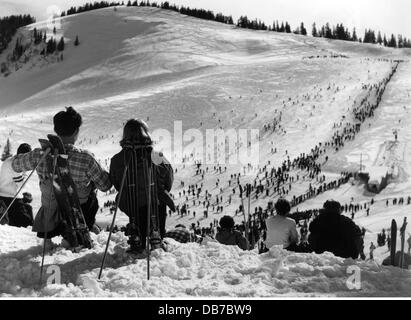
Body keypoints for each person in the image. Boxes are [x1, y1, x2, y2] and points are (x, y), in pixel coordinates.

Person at [12, 107, 112, 246]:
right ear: (76, 131)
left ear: (56, 130)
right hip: (79, 212)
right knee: (90, 193)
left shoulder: (39, 155)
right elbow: (105, 186)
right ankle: (83, 228)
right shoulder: (86, 158)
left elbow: (15, 165)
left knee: (51, 193)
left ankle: (54, 232)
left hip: (50, 210)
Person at [110, 119, 175, 253]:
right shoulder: (157, 157)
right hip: (155, 204)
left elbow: (117, 183)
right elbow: (169, 179)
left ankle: (137, 237)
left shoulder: (117, 160)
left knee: (131, 201)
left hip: (131, 204)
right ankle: (157, 236)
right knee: (159, 198)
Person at [0, 143, 33, 227]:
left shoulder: (11, 160)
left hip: (9, 195)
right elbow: (22, 184)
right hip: (7, 197)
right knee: (26, 221)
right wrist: (25, 172)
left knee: (28, 209)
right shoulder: (14, 165)